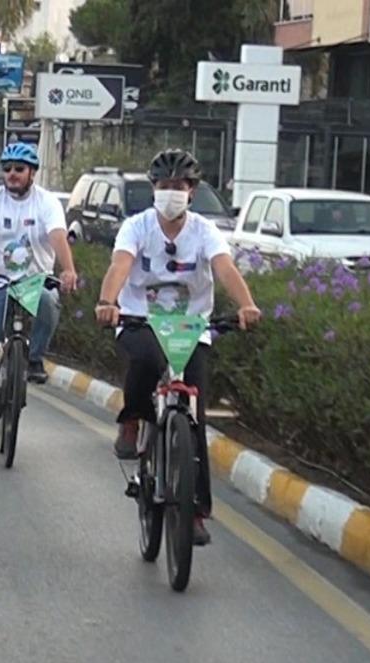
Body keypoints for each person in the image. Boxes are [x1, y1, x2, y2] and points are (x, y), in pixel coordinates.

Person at [95, 148, 261, 546]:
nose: (172, 193)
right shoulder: (136, 227)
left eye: (180, 187)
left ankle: (195, 512)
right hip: (139, 319)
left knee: (195, 416)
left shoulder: (204, 231)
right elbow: (120, 265)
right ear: (154, 189)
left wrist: (246, 305)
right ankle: (132, 419)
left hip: (192, 328)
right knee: (146, 360)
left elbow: (225, 268)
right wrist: (108, 302)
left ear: (192, 191)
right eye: (164, 186)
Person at [0, 141, 78, 438]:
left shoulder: (47, 203)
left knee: (49, 301)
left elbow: (57, 235)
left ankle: (35, 358)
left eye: (19, 169)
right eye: (8, 169)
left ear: (32, 173)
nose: (13, 174)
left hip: (32, 282)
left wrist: (67, 269)